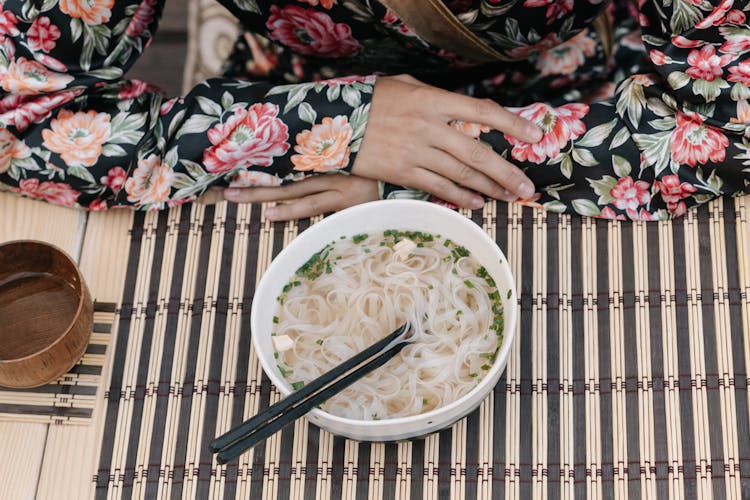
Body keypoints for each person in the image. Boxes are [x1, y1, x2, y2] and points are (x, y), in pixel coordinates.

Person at [0, 0, 748, 221]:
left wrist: (428, 159)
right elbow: (21, 110)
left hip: (581, 112)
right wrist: (337, 124)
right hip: (292, 112)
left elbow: (730, 117)